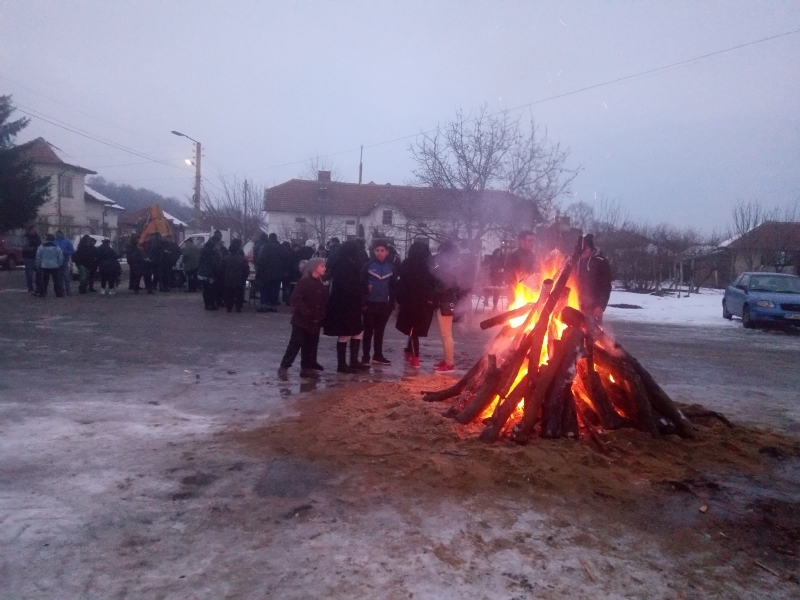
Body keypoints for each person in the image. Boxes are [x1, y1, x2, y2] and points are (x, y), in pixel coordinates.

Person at [323, 240, 369, 373]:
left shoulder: (342, 263)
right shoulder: (347, 265)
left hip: (346, 303)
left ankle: (351, 362)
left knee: (356, 331)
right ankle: (344, 364)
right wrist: (363, 290)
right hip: (346, 303)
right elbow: (352, 285)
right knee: (346, 332)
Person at [278, 258, 328, 379]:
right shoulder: (304, 282)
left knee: (311, 344)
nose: (324, 268)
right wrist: (306, 312)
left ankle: (307, 366)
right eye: (322, 266)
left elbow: (323, 301)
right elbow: (296, 299)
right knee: (296, 343)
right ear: (314, 268)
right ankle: (284, 365)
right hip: (302, 320)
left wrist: (322, 314)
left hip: (315, 320)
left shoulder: (320, 284)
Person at [395, 240, 437, 369]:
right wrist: (431, 299)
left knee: (411, 329)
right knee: (415, 330)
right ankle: (409, 352)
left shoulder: (407, 264)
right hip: (424, 303)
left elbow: (401, 284)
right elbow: (434, 284)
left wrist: (400, 300)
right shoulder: (430, 266)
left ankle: (415, 357)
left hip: (409, 302)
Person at [361, 240, 397, 366]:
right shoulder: (367, 266)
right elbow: (361, 283)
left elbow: (393, 287)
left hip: (384, 304)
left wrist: (392, 303)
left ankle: (378, 355)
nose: (379, 253)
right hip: (369, 303)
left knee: (380, 331)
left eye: (382, 250)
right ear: (373, 251)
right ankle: (365, 356)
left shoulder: (391, 268)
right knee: (368, 331)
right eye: (377, 250)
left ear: (387, 252)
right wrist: (363, 301)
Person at [431, 240, 460, 373]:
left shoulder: (446, 268)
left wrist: (434, 294)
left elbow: (444, 286)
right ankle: (447, 360)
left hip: (445, 302)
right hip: (446, 301)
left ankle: (449, 363)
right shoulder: (452, 266)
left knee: (446, 334)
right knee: (445, 334)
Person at [575, 234, 612, 324]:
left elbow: (605, 287)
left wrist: (600, 306)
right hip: (576, 304)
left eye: (586, 248)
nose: (584, 251)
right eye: (582, 248)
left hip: (594, 306)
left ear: (591, 248)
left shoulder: (601, 262)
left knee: (593, 332)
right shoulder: (575, 262)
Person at [256, 233, 283, 313]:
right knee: (275, 289)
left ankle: (264, 305)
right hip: (277, 273)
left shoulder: (264, 246)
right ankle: (273, 306)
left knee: (265, 289)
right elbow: (286, 258)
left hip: (265, 273)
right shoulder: (281, 247)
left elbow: (260, 259)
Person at [221, 239, 250, 313]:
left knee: (229, 294)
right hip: (239, 280)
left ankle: (229, 307)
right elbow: (246, 270)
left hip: (228, 280)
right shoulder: (242, 259)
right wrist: (244, 278)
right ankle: (238, 307)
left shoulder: (225, 259)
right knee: (239, 294)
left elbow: (221, 270)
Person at [197, 239, 221, 310]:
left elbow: (199, 263)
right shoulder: (212, 254)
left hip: (202, 275)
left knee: (205, 290)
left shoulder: (202, 253)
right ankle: (212, 304)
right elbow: (214, 265)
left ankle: (207, 304)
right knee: (212, 290)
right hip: (210, 275)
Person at [22, 225, 42, 295]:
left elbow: (40, 245)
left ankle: (38, 288)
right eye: (34, 229)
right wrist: (33, 248)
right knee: (29, 274)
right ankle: (30, 289)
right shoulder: (26, 237)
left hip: (36, 257)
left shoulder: (37, 236)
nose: (35, 231)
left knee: (39, 273)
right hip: (28, 258)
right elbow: (24, 247)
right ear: (30, 230)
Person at [54, 230, 75, 296]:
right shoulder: (54, 241)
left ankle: (68, 289)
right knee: (59, 277)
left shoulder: (67, 242)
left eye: (60, 234)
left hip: (65, 261)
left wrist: (65, 252)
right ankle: (61, 290)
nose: (58, 235)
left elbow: (72, 251)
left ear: (62, 234)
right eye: (57, 234)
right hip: (56, 262)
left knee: (66, 276)